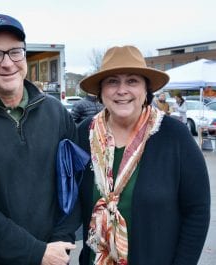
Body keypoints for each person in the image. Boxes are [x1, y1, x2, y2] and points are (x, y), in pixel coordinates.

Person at [0, 14, 80, 265]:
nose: (8, 63)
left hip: (56, 255)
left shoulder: (57, 113)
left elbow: (75, 184)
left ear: (25, 56)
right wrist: (36, 253)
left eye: (15, 52)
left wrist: (59, 244)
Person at [77, 45, 210, 265]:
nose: (122, 90)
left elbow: (197, 211)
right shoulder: (84, 135)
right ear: (100, 91)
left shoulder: (174, 136)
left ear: (145, 89)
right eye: (112, 81)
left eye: (132, 81)